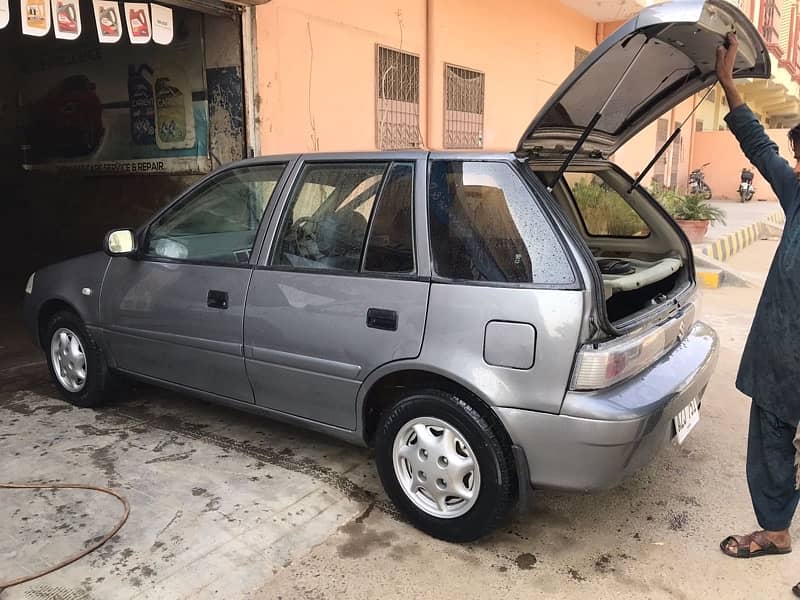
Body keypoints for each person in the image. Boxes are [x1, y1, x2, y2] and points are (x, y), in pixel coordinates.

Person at [716, 32, 800, 596]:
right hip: (779, 362)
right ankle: (774, 532)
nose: (796, 162)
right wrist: (727, 83)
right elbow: (761, 151)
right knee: (769, 445)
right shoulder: (797, 194)